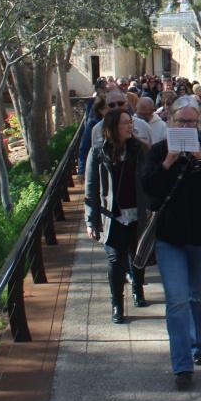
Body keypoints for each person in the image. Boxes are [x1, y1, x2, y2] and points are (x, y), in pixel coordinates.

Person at [142, 101, 201, 390]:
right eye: (181, 122)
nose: (186, 127)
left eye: (192, 123)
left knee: (198, 297)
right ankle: (182, 365)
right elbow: (149, 187)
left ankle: (198, 343)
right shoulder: (158, 151)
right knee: (177, 300)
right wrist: (168, 162)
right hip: (170, 238)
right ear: (171, 122)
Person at [85, 109, 151, 323]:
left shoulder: (140, 149)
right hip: (112, 216)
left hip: (137, 213)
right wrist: (91, 220)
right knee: (116, 260)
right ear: (113, 127)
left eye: (130, 122)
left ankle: (137, 290)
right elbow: (91, 186)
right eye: (125, 123)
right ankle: (117, 304)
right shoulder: (98, 151)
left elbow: (149, 178)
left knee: (137, 255)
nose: (130, 126)